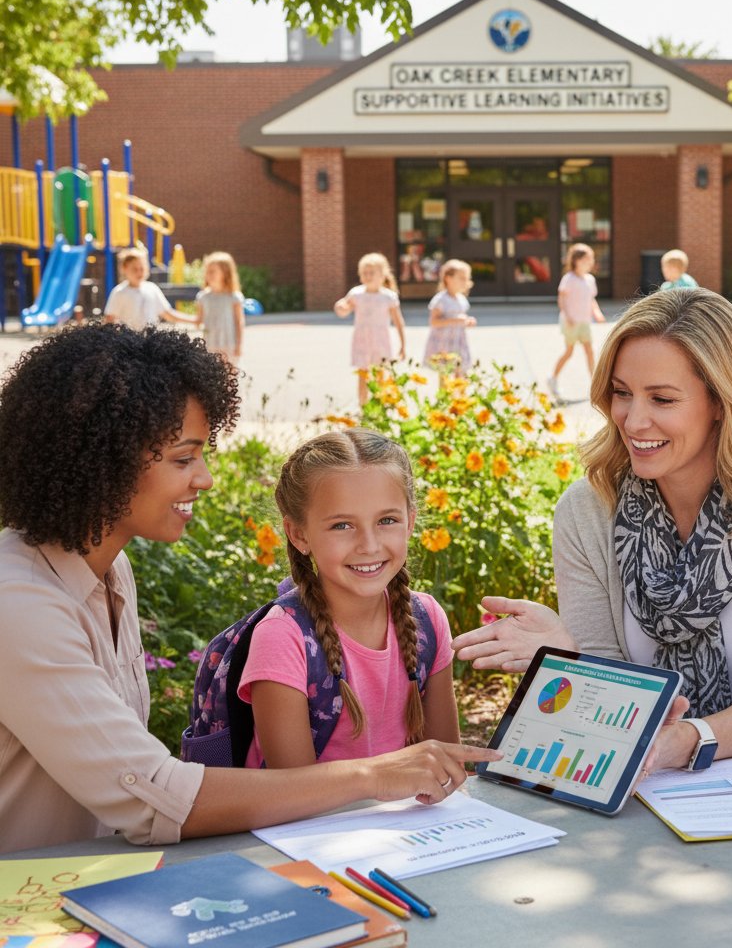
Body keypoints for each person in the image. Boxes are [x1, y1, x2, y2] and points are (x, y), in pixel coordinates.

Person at [0, 324, 499, 854]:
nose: (206, 478)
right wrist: (374, 775)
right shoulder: (20, 605)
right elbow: (152, 800)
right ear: (102, 461)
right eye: (183, 458)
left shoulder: (109, 571)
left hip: (85, 877)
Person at [454, 287, 732, 774]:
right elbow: (603, 689)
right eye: (621, 393)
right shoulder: (586, 512)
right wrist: (569, 653)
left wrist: (689, 740)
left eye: (662, 398)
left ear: (721, 401)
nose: (633, 420)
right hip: (635, 784)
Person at [239, 429, 458, 767]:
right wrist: (381, 782)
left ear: (410, 523)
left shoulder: (427, 619)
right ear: (299, 534)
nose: (369, 545)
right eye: (342, 525)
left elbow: (446, 765)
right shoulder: (283, 638)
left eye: (387, 520)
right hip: (312, 821)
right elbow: (291, 797)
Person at [334, 252, 407, 406]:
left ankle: (380, 406)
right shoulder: (356, 294)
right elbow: (344, 309)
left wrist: (403, 345)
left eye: (371, 273)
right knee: (363, 374)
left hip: (381, 341)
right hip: (362, 341)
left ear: (382, 275)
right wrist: (339, 307)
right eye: (364, 273)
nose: (367, 276)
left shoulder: (389, 297)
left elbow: (398, 321)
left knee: (381, 374)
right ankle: (364, 407)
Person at [547, 243, 605, 400]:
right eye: (587, 259)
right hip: (570, 322)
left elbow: (592, 299)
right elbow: (562, 300)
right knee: (569, 351)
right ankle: (553, 378)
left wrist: (597, 313)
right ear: (576, 261)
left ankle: (595, 384)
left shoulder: (589, 279)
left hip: (585, 322)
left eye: (591, 259)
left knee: (589, 350)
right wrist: (568, 317)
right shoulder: (569, 279)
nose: (590, 262)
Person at [103, 248, 193, 329]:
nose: (139, 272)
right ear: (124, 269)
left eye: (142, 269)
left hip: (150, 341)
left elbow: (168, 314)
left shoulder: (152, 289)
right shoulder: (119, 292)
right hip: (129, 342)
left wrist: (193, 320)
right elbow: (110, 319)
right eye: (135, 269)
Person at [422, 259, 476, 377]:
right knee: (445, 374)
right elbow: (433, 322)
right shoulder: (441, 300)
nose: (465, 281)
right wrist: (455, 321)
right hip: (443, 343)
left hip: (458, 341)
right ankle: (446, 395)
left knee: (461, 372)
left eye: (466, 278)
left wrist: (467, 321)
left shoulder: (461, 298)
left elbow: (461, 317)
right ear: (448, 278)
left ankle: (460, 395)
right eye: (461, 278)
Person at [195, 251, 245, 367]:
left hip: (229, 344)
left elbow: (239, 322)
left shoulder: (234, 297)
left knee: (230, 377)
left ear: (225, 273)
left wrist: (239, 345)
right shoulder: (203, 297)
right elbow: (198, 320)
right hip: (210, 345)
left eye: (213, 271)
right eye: (207, 271)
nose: (209, 274)